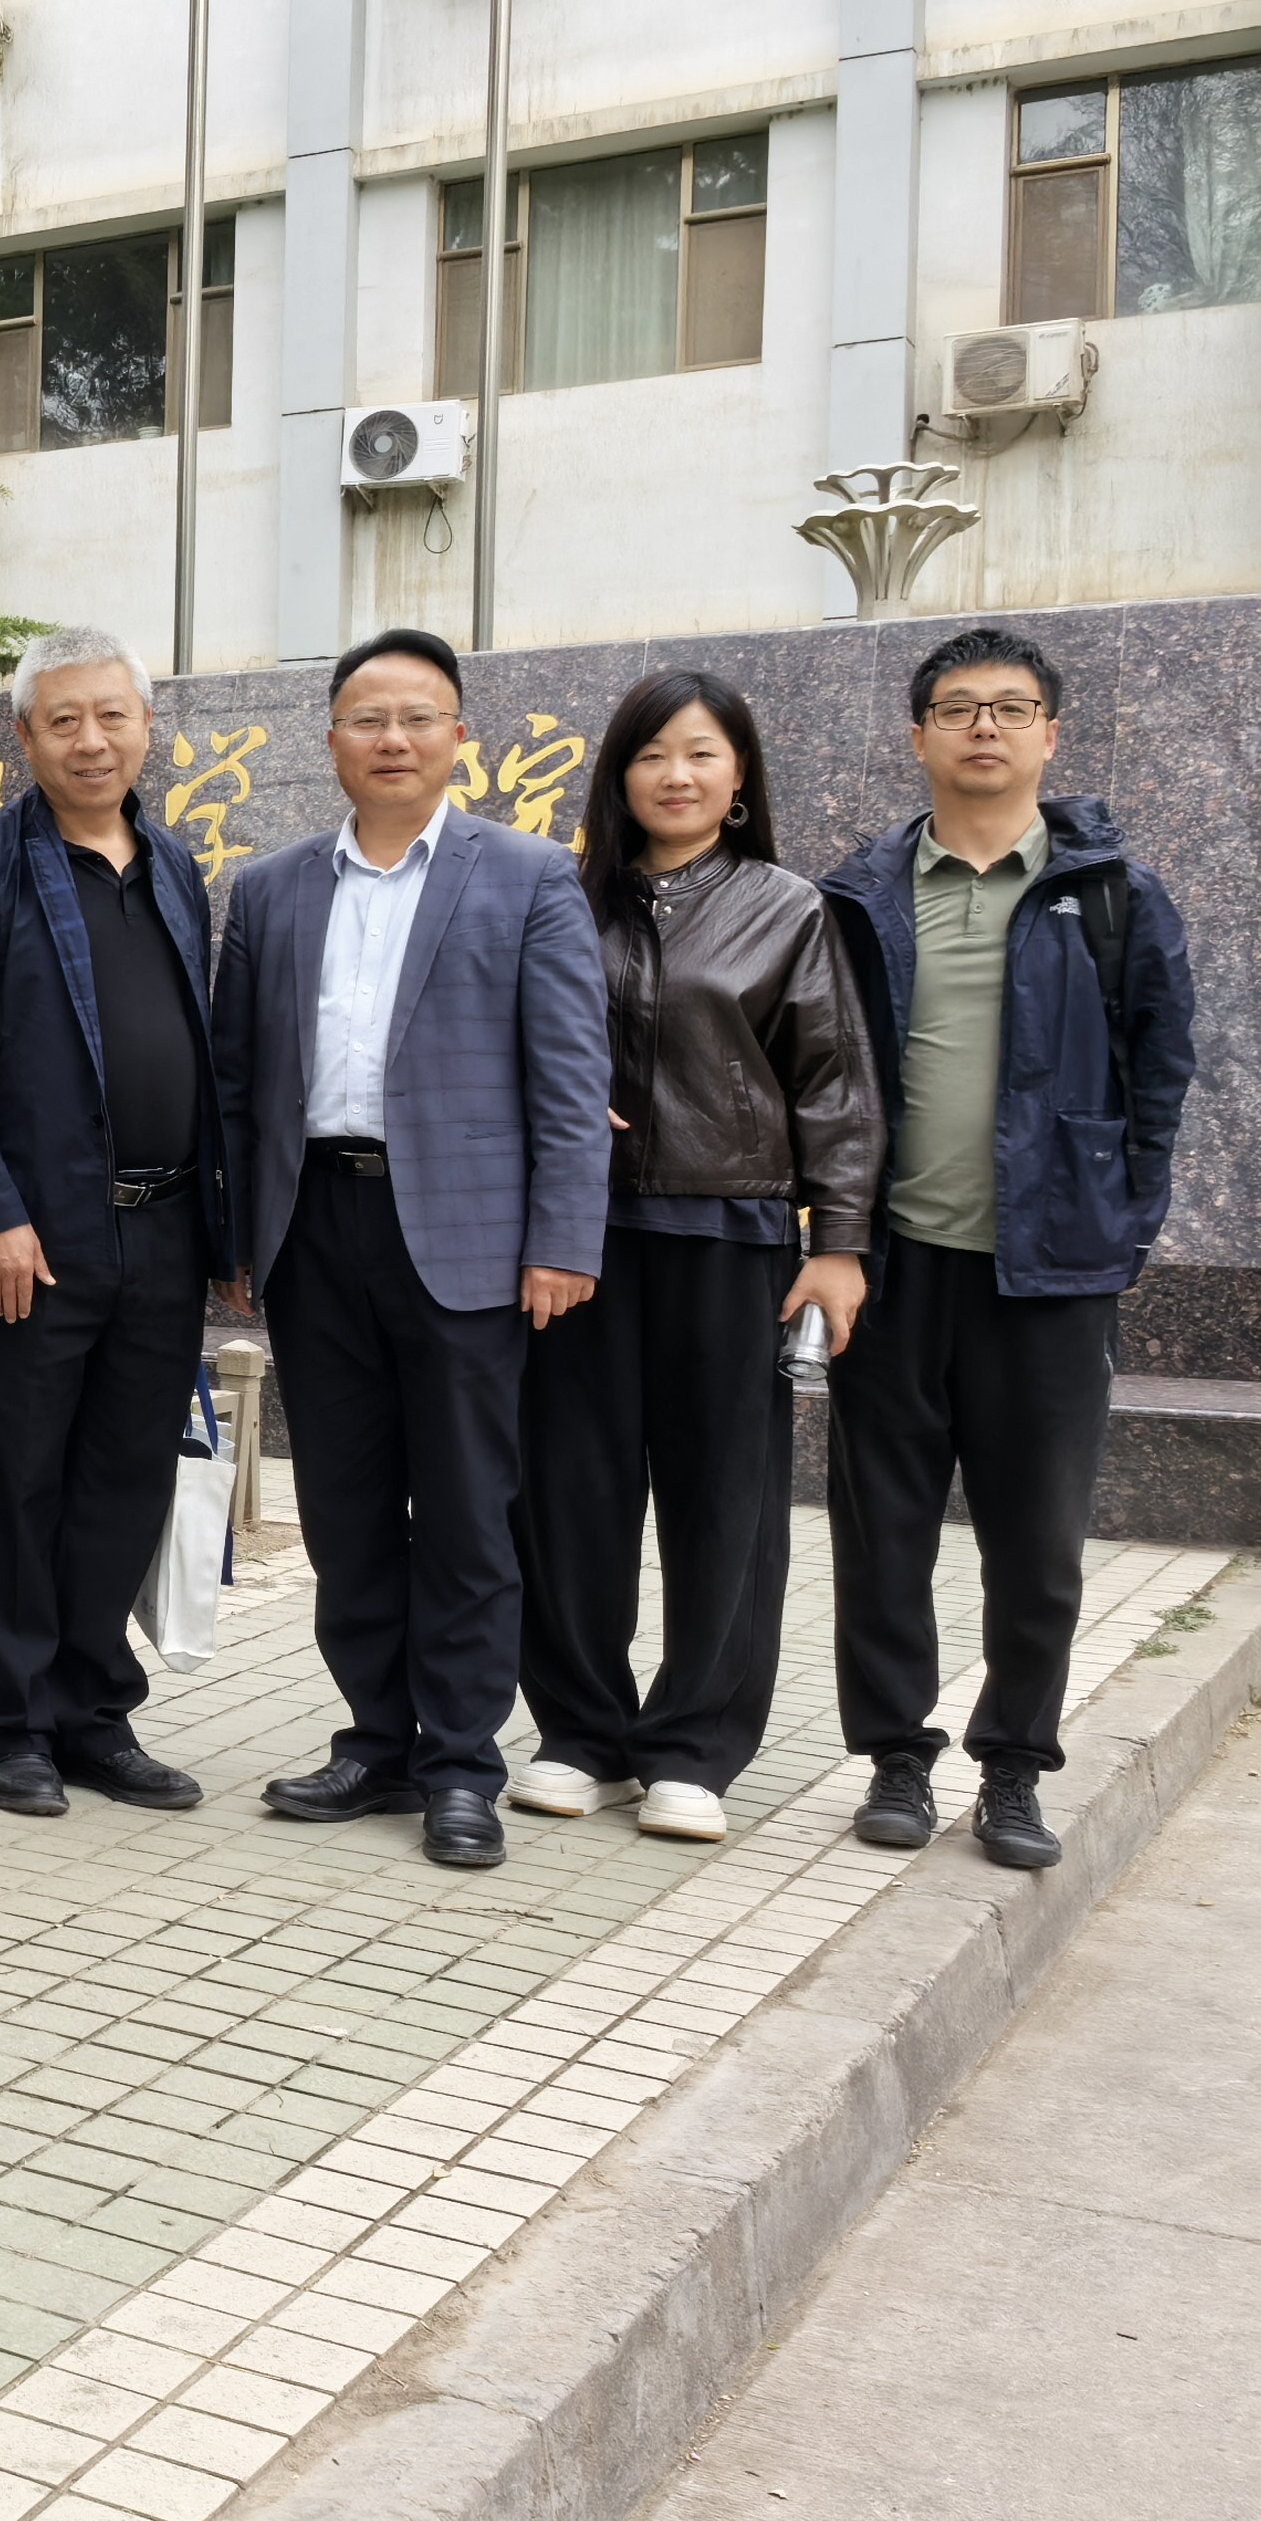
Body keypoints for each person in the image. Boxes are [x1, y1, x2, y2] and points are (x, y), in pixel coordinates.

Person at [212, 626, 610, 1869]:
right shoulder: (270, 889)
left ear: (457, 738)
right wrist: (238, 1235)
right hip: (312, 1230)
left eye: (417, 717)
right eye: (367, 718)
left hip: (467, 1241)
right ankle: (376, 1742)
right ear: (331, 737)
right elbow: (236, 1083)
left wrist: (562, 1238)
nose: (392, 739)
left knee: (466, 1513)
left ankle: (460, 1766)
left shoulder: (527, 876)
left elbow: (569, 1076)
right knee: (341, 1508)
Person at [818, 628, 1193, 1872]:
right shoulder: (858, 898)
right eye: (958, 707)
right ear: (918, 735)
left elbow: (1160, 1075)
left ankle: (1015, 1769)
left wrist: (1119, 1229)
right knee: (883, 1531)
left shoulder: (1116, 899)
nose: (984, 726)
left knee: (1036, 1545)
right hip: (892, 1264)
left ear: (1048, 735)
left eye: (1010, 707)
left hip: (1049, 1275)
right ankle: (894, 1756)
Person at [508, 672, 880, 1843]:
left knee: (725, 1502)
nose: (676, 775)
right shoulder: (564, 901)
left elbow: (835, 1086)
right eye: (651, 754)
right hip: (577, 1241)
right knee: (569, 1493)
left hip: (732, 1237)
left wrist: (839, 1243)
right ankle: (579, 1734)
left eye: (702, 753)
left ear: (738, 776)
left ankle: (693, 1748)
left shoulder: (787, 907)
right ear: (617, 775)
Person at [0, 626, 231, 1818]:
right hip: (32, 1241)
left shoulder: (175, 865)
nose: (90, 741)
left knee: (123, 1480)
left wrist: (223, 1235)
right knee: (19, 1483)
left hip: (163, 1227)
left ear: (146, 726)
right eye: (63, 721)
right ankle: (10, 1725)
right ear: (24, 737)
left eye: (111, 716)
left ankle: (94, 1715)